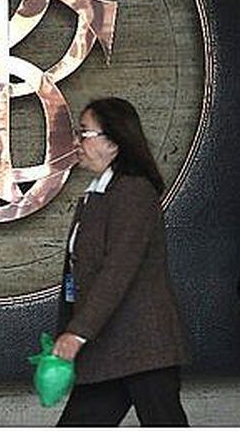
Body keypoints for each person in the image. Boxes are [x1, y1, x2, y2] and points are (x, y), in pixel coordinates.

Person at [53, 97, 189, 427]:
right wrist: (70, 330)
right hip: (107, 348)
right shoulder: (97, 195)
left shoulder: (133, 193)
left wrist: (77, 333)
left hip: (143, 347)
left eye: (84, 133)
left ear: (113, 143)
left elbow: (117, 270)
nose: (76, 141)